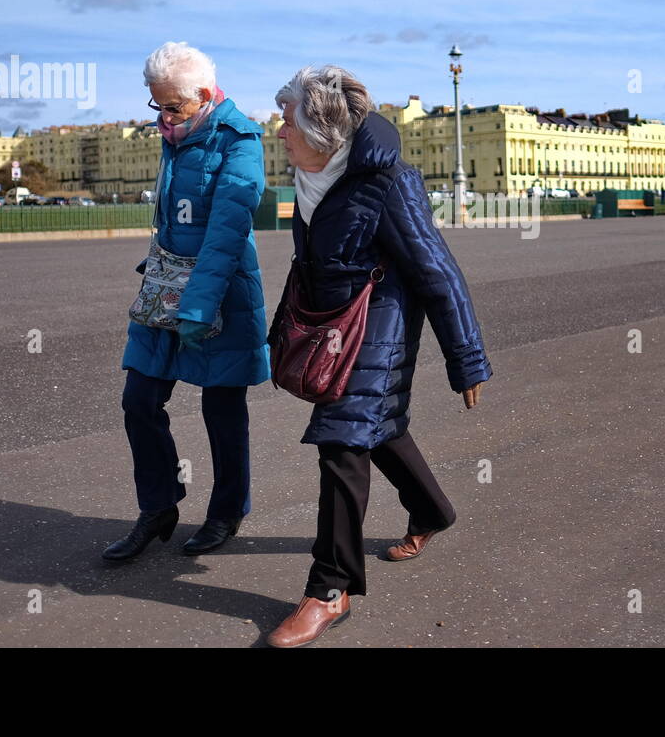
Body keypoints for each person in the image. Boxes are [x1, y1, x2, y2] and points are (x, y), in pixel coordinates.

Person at [265, 65, 491, 648]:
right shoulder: (310, 180)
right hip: (333, 326)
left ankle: (328, 590)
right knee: (379, 426)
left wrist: (466, 357)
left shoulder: (389, 184)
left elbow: (437, 271)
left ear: (322, 131)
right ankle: (433, 511)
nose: (279, 129)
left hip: (380, 324)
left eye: (288, 119)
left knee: (342, 439)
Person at [105, 42, 270, 561]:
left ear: (203, 95)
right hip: (166, 289)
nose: (163, 117)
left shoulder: (240, 140)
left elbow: (225, 232)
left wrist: (198, 305)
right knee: (139, 400)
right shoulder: (175, 136)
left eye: (172, 106)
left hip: (221, 294)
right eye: (157, 105)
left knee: (222, 408)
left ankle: (225, 513)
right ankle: (158, 507)